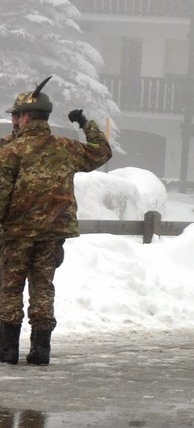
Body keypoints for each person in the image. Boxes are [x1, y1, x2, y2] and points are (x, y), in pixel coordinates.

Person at [0, 78, 113, 365]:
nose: (13, 120)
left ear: (25, 117)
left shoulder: (10, 152)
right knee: (43, 286)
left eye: (16, 115)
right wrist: (86, 123)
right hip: (53, 232)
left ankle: (7, 348)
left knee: (10, 287)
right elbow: (101, 152)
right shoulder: (65, 148)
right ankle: (41, 349)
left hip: (17, 232)